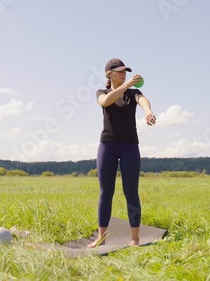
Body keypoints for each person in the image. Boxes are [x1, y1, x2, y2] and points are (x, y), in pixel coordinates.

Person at [88, 58, 156, 248]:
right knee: (106, 192)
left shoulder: (133, 92)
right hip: (107, 146)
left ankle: (134, 238)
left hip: (129, 147)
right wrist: (126, 85)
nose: (123, 74)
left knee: (131, 192)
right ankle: (101, 238)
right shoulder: (102, 92)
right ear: (109, 74)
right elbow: (106, 102)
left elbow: (142, 100)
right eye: (119, 71)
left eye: (124, 71)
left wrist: (148, 111)